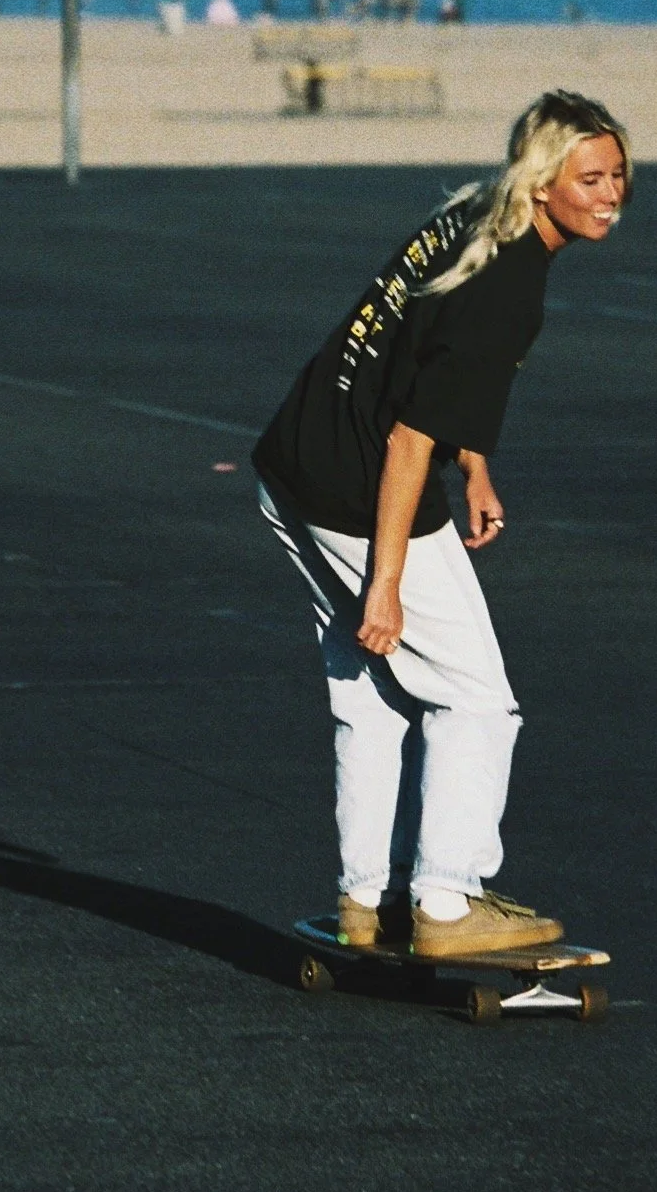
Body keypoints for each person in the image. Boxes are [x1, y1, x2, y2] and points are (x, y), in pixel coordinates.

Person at [253, 90, 630, 958]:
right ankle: (447, 901)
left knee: (373, 697)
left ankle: (360, 899)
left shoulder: (469, 210)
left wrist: (478, 464)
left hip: (292, 462)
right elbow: (410, 435)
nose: (610, 194)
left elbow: (424, 361)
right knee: (476, 699)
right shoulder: (507, 288)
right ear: (542, 185)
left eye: (618, 176)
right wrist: (384, 582)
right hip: (359, 490)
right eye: (591, 177)